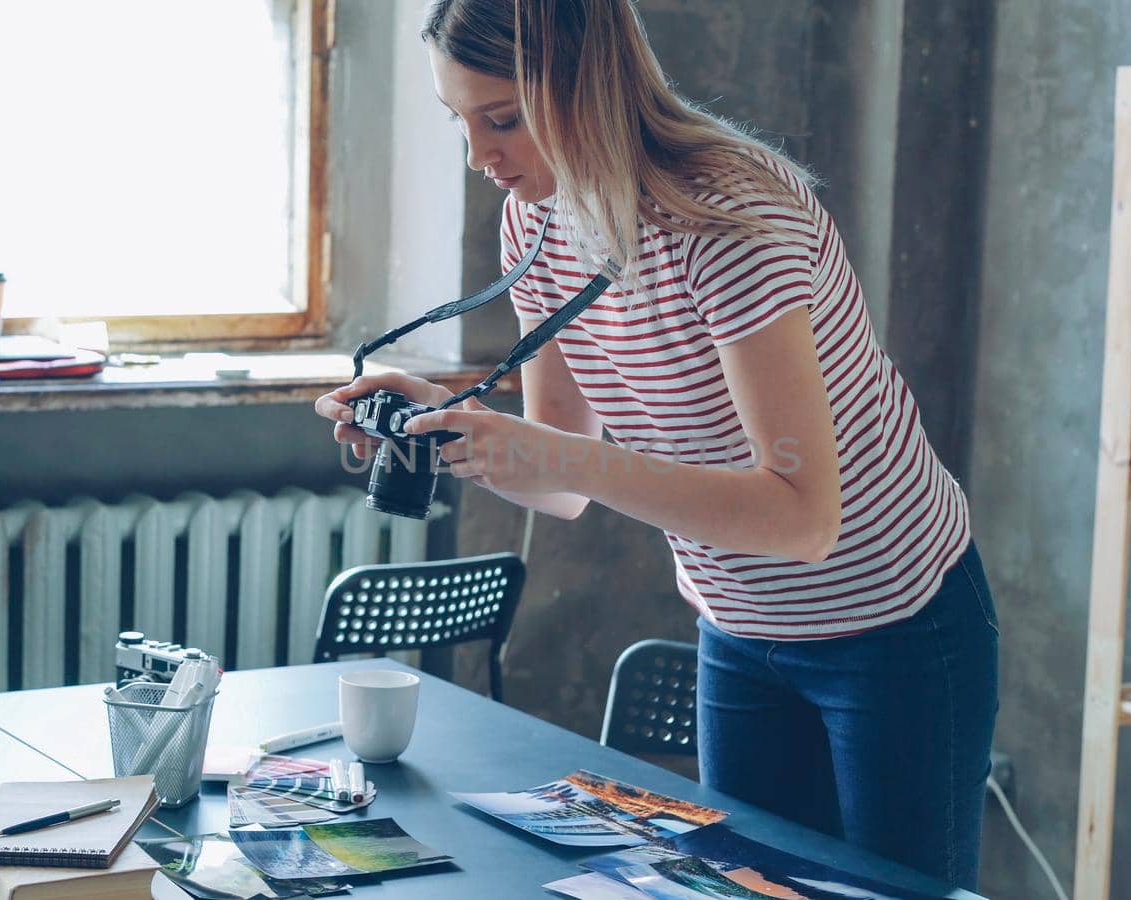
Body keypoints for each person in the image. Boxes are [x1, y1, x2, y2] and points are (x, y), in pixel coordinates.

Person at [314, 0, 998, 888]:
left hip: (895, 620)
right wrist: (445, 424)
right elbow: (561, 472)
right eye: (460, 122)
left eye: (504, 119)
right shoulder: (536, 221)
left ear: (584, 86)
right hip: (738, 624)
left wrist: (558, 458)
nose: (480, 158)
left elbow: (802, 520)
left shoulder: (731, 219)